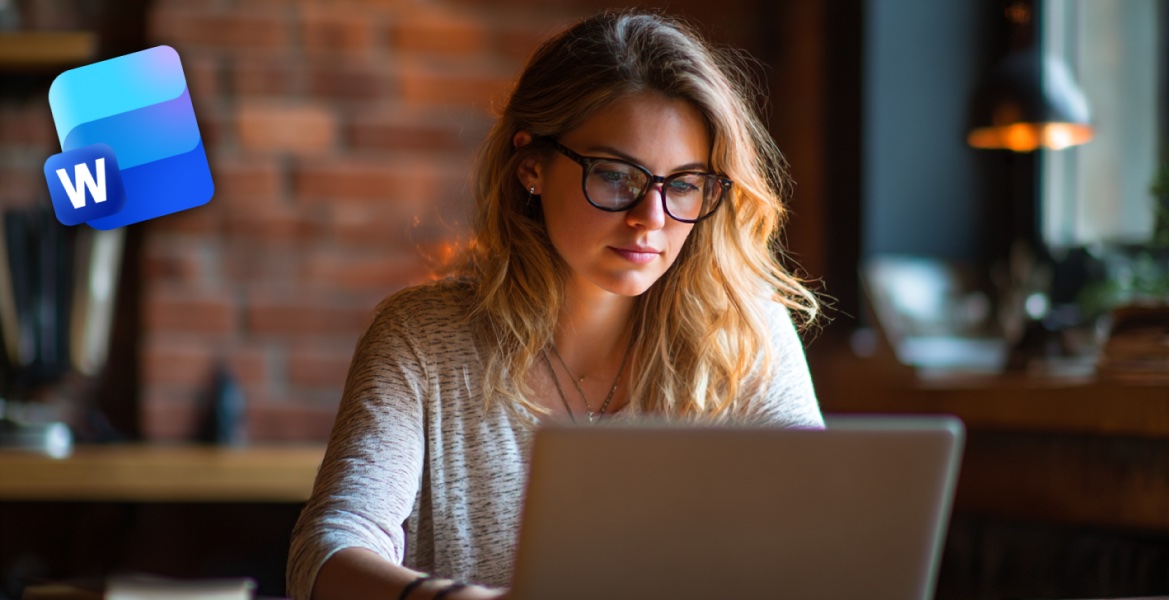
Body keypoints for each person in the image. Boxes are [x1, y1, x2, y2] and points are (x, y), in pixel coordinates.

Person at [287, 9, 823, 600]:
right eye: (617, 176)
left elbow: (824, 541)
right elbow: (329, 551)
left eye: (684, 184)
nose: (651, 218)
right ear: (532, 167)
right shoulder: (420, 339)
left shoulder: (746, 336)